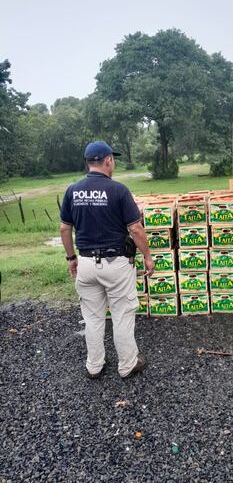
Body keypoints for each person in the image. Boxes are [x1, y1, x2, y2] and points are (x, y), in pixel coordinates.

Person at [60, 140, 155, 379]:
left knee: (92, 317)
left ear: (88, 162)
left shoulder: (73, 190)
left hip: (86, 265)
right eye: (113, 159)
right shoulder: (118, 190)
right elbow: (135, 228)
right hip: (116, 264)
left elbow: (64, 228)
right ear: (108, 160)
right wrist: (147, 255)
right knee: (122, 314)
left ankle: (94, 366)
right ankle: (127, 365)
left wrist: (71, 257)